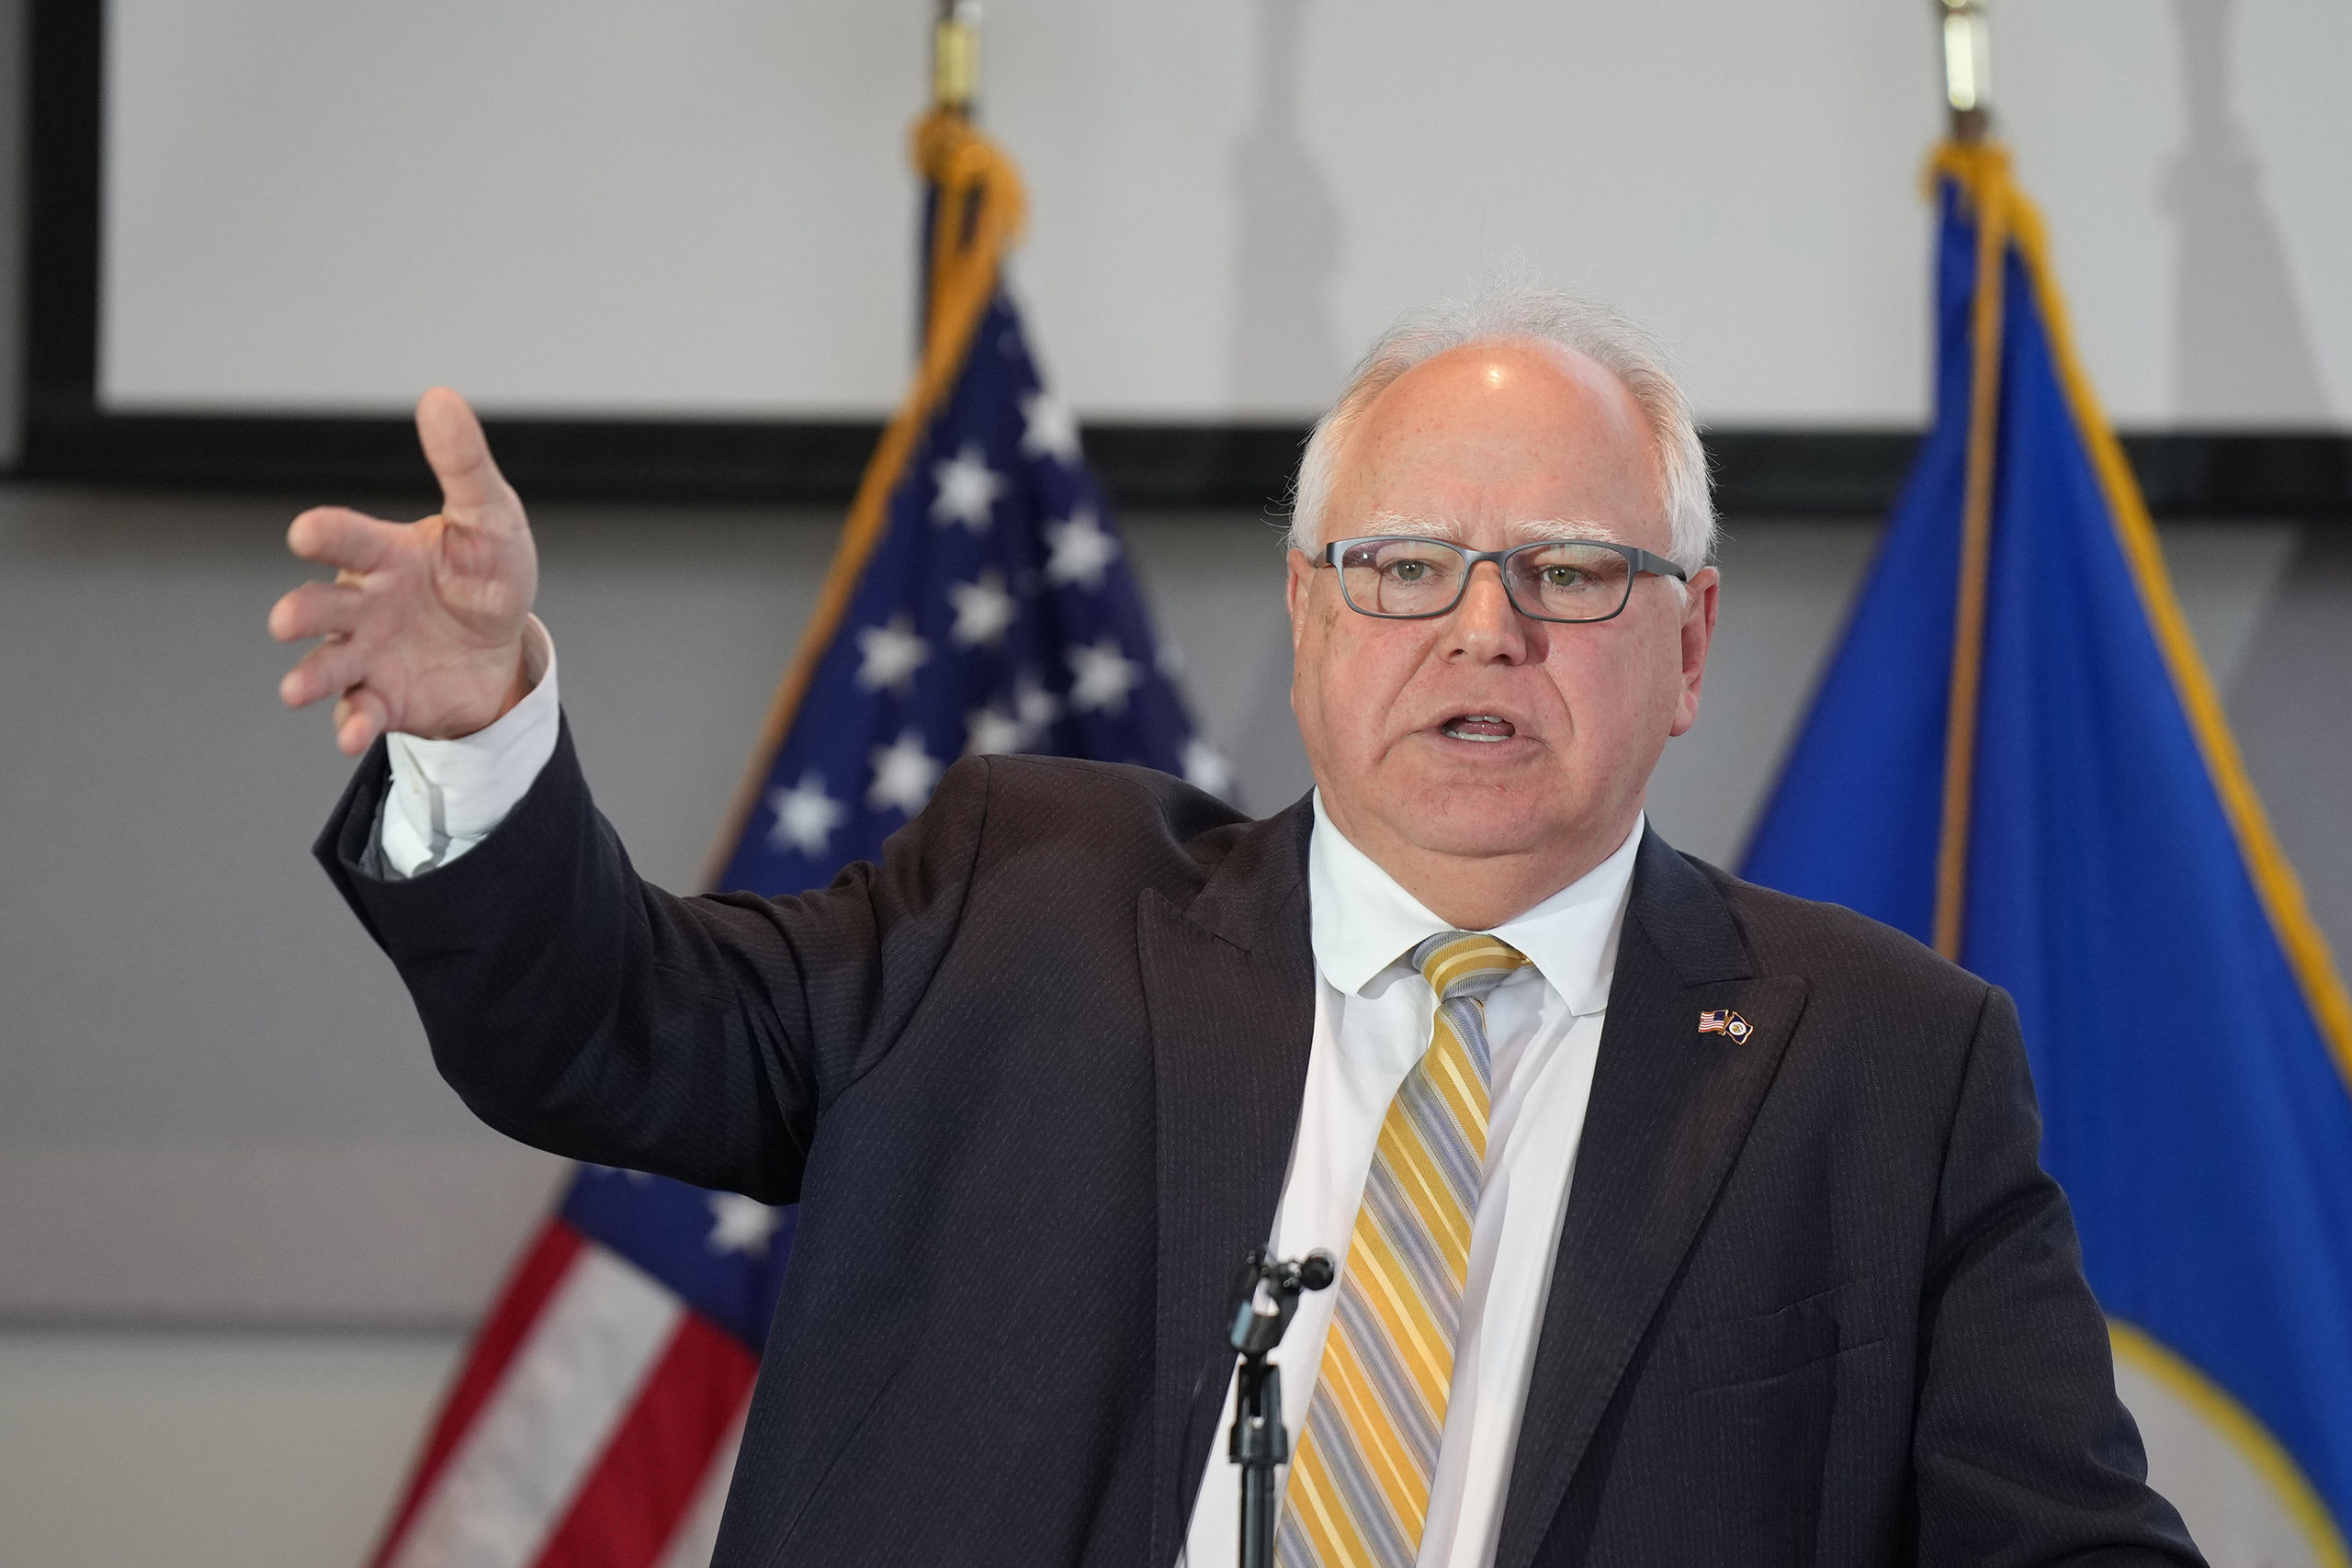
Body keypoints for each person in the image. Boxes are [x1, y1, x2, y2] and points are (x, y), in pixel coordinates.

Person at [273, 286, 2201, 1567]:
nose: (1484, 630)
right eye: (1406, 566)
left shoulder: (1884, 1064)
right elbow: (611, 1028)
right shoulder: (1021, 907)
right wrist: (481, 726)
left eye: (1571, 572)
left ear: (1687, 643)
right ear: (1306, 615)